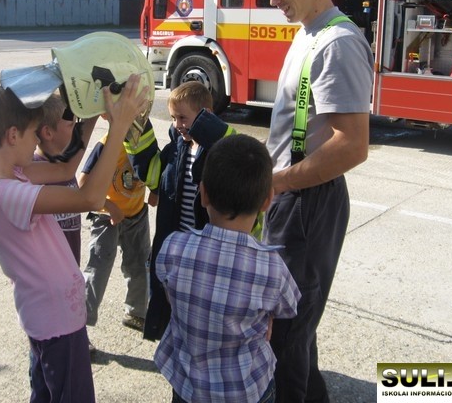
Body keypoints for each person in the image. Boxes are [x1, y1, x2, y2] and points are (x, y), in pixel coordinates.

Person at [0, 76, 148, 403]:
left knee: (46, 393)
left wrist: (93, 115)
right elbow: (90, 198)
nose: (37, 139)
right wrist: (119, 126)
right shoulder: (2, 193)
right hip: (56, 318)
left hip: (45, 314)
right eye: (33, 133)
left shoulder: (3, 173)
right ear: (13, 135)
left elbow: (65, 170)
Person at [258, 0, 373, 403]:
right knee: (295, 325)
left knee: (286, 331)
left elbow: (353, 146)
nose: (274, 0)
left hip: (307, 202)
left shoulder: (338, 43)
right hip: (292, 196)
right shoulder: (308, 32)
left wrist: (279, 181)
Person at [154, 134, 301, 403]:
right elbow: (289, 308)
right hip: (246, 390)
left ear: (203, 194)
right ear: (267, 201)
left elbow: (170, 292)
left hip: (188, 387)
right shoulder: (272, 267)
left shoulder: (174, 247)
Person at [125, 81, 236, 341]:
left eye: (183, 118)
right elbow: (153, 175)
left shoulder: (220, 153)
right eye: (173, 118)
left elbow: (236, 151)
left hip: (206, 259)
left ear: (207, 116)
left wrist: (211, 132)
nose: (177, 124)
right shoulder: (176, 149)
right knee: (171, 312)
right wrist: (133, 124)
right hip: (176, 253)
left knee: (200, 318)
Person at [80, 128, 151, 334]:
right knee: (98, 269)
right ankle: (79, 327)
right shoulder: (107, 144)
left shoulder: (145, 141)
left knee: (140, 265)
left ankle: (136, 313)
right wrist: (109, 206)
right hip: (106, 217)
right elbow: (83, 184)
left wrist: (156, 191)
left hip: (136, 215)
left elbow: (154, 170)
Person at [34, 93, 97, 264]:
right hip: (48, 271)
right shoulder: (35, 171)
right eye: (71, 125)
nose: (76, 130)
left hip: (69, 268)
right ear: (48, 132)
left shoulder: (63, 165)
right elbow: (89, 199)